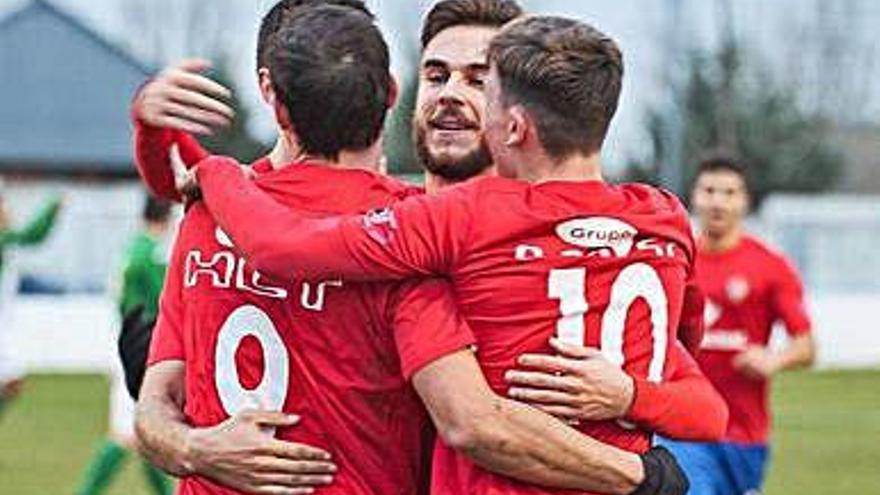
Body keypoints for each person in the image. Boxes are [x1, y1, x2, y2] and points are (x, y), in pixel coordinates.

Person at [136, 5, 685, 495]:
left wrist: (173, 146)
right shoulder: (409, 244)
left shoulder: (215, 210)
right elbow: (474, 421)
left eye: (481, 80)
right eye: (439, 74)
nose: (454, 94)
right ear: (399, 93)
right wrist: (644, 475)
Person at [657, 155, 816, 495]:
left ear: (745, 201)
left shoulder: (771, 266)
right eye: (709, 190)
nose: (718, 201)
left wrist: (773, 359)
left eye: (729, 192)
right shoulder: (673, 260)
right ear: (693, 196)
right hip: (681, 424)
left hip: (743, 433)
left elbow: (806, 345)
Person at [74, 195, 175, 495]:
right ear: (167, 217)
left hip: (126, 340)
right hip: (140, 347)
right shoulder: (152, 255)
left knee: (149, 431)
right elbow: (166, 302)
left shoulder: (132, 248)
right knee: (127, 432)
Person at [0, 187, 62, 419]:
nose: (8, 212)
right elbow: (32, 235)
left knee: (11, 383)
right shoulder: (4, 239)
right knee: (11, 381)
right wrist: (51, 208)